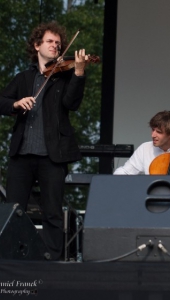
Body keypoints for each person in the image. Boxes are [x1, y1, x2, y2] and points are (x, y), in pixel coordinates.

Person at [0, 21, 88, 260]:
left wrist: (79, 72)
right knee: (13, 210)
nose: (55, 46)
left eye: (58, 44)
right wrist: (15, 104)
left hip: (53, 155)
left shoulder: (65, 76)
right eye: (50, 41)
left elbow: (72, 104)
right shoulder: (23, 78)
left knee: (52, 213)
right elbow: (1, 101)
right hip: (22, 155)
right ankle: (11, 259)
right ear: (37, 45)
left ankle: (51, 262)